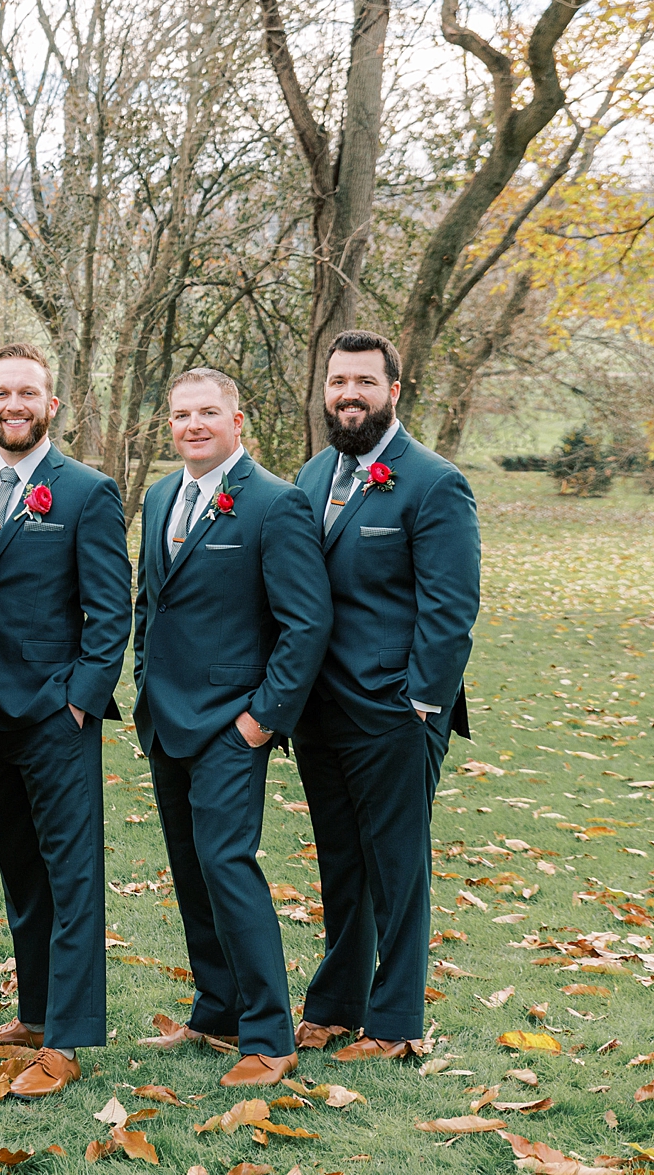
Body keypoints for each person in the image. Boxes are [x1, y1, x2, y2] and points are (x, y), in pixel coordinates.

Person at [132, 368, 331, 1087]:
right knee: (190, 873)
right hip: (166, 721)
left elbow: (306, 624)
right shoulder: (159, 496)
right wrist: (142, 677)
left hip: (229, 726)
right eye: (181, 413)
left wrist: (259, 720)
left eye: (207, 412)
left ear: (236, 420)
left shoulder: (275, 504)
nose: (192, 424)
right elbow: (150, 601)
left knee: (228, 866)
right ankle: (215, 1009)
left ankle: (271, 1036)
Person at [290, 330, 481, 1062]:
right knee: (341, 861)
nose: (348, 394)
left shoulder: (433, 482)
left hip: (397, 714)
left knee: (397, 868)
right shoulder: (312, 476)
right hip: (320, 711)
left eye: (364, 381)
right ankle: (337, 1002)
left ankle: (397, 1021)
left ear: (393, 391)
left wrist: (420, 704)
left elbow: (451, 609)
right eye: (339, 381)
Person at [0, 343, 130, 1100]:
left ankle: (70, 1036)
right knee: (21, 870)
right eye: (1, 392)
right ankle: (34, 1009)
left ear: (51, 405)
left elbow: (110, 609)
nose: (14, 403)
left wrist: (80, 699)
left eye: (28, 392)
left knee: (72, 874)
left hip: (57, 715)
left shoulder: (85, 492)